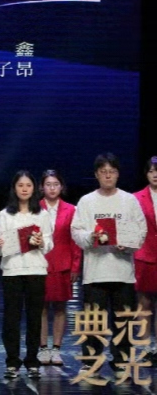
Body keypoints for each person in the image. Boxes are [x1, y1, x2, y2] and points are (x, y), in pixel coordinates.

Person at [71, 153, 147, 378]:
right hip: (95, 271)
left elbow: (140, 230)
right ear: (96, 175)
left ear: (118, 174)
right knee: (93, 320)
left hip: (123, 271)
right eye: (103, 172)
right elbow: (76, 231)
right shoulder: (86, 201)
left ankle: (122, 361)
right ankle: (91, 362)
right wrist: (91, 236)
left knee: (124, 319)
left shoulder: (129, 200)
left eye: (111, 172)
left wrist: (129, 245)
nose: (107, 176)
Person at [0, 171, 53, 378]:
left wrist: (42, 242)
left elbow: (49, 243)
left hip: (36, 269)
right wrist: (0, 245)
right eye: (20, 185)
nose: (24, 189)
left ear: (34, 188)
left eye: (28, 185)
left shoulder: (42, 214)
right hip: (12, 270)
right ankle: (12, 362)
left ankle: (32, 361)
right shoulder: (5, 214)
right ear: (14, 188)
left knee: (34, 317)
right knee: (11, 317)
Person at [37, 170, 79, 366]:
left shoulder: (71, 210)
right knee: (41, 307)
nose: (52, 188)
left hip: (63, 264)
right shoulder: (35, 208)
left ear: (61, 187)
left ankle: (56, 349)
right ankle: (43, 348)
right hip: (40, 263)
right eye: (48, 184)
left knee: (61, 307)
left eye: (55, 184)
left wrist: (75, 266)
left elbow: (75, 241)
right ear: (42, 187)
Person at [133, 156, 157, 364]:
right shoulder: (136, 198)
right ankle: (145, 345)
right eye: (151, 171)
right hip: (144, 255)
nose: (155, 175)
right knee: (144, 302)